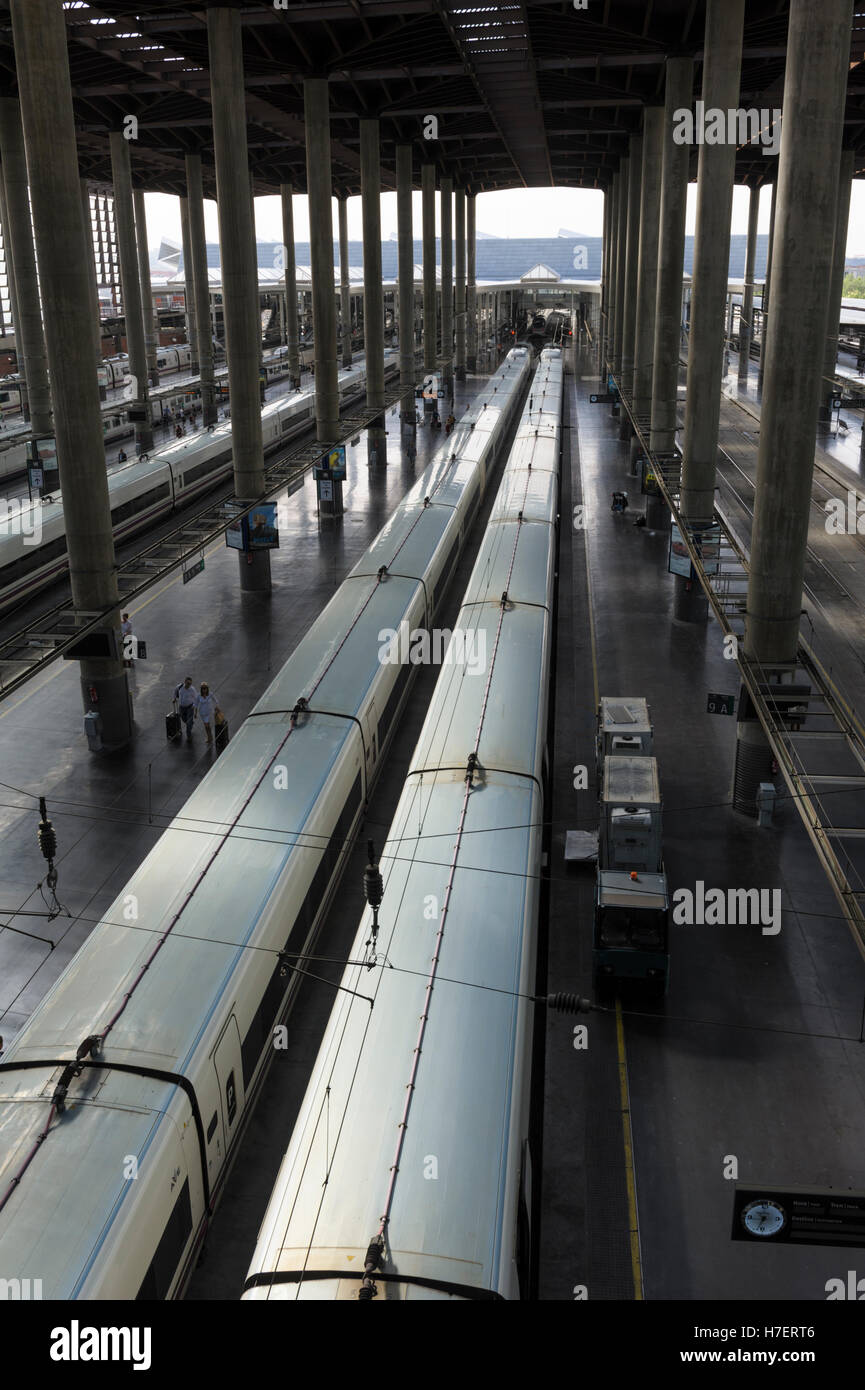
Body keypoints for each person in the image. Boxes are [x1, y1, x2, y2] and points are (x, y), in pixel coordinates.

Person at [172, 676, 198, 741]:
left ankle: (189, 735)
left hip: (190, 707)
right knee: (183, 719)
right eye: (188, 683)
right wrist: (174, 698)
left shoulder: (192, 689)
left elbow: (196, 699)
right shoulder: (179, 687)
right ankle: (190, 723)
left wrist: (194, 705)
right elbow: (175, 691)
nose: (189, 685)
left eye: (190, 684)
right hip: (181, 707)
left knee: (188, 722)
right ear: (185, 682)